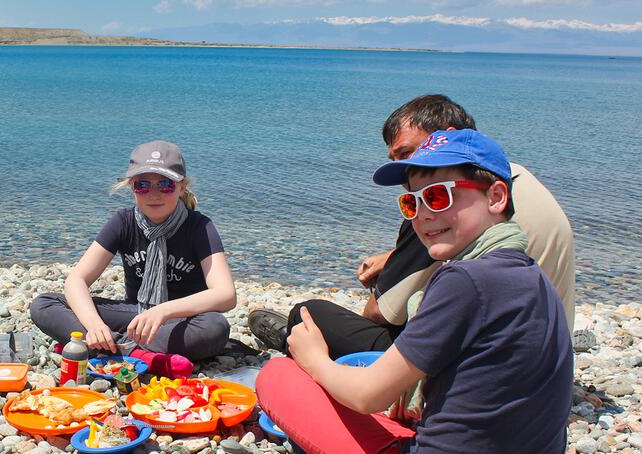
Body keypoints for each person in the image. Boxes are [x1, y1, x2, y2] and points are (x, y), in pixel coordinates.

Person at [256, 129, 573, 453]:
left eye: (438, 196)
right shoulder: (531, 274)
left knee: (279, 375)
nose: (423, 214)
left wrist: (315, 360)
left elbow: (367, 395)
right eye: (412, 201)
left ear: (496, 197)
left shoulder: (465, 280)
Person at [249, 94, 576, 358]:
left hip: (483, 363)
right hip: (551, 354)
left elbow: (381, 314)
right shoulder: (507, 177)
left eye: (407, 153)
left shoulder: (440, 210)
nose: (404, 171)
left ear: (446, 137)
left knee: (309, 313)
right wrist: (397, 257)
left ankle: (301, 345)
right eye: (395, 160)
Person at [29, 140, 236, 378]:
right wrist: (95, 325)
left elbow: (225, 295)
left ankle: (98, 348)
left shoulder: (199, 227)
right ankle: (136, 354)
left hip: (182, 320)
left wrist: (164, 311)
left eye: (165, 185)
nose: (154, 194)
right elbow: (77, 279)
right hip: (135, 316)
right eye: (143, 185)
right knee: (44, 304)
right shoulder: (124, 221)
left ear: (182, 186)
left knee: (215, 327)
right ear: (131, 187)